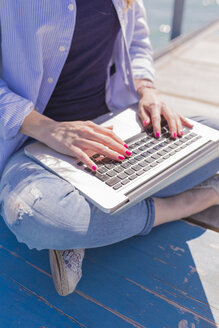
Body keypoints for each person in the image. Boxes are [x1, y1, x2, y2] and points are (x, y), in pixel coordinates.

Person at [0, 0, 218, 296]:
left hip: (117, 127)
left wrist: (147, 91)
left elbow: (137, 37)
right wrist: (48, 128)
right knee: (41, 217)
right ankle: (183, 204)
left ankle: (99, 217)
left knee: (211, 135)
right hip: (30, 142)